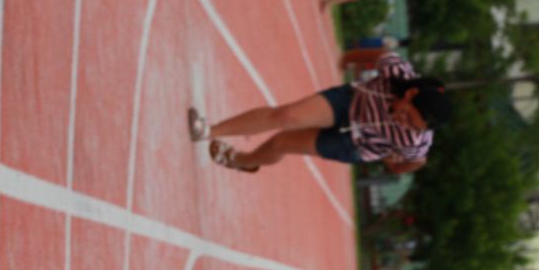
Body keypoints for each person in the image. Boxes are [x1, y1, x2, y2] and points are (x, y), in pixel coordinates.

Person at [188, 51, 452, 173]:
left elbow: (416, 162)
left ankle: (242, 161)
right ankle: (208, 130)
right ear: (411, 93)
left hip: (354, 144)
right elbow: (378, 55)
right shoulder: (397, 71)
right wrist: (344, 60)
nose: (404, 123)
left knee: (280, 143)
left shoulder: (415, 142)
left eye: (412, 126)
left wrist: (394, 166)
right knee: (287, 116)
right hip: (349, 101)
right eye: (407, 115)